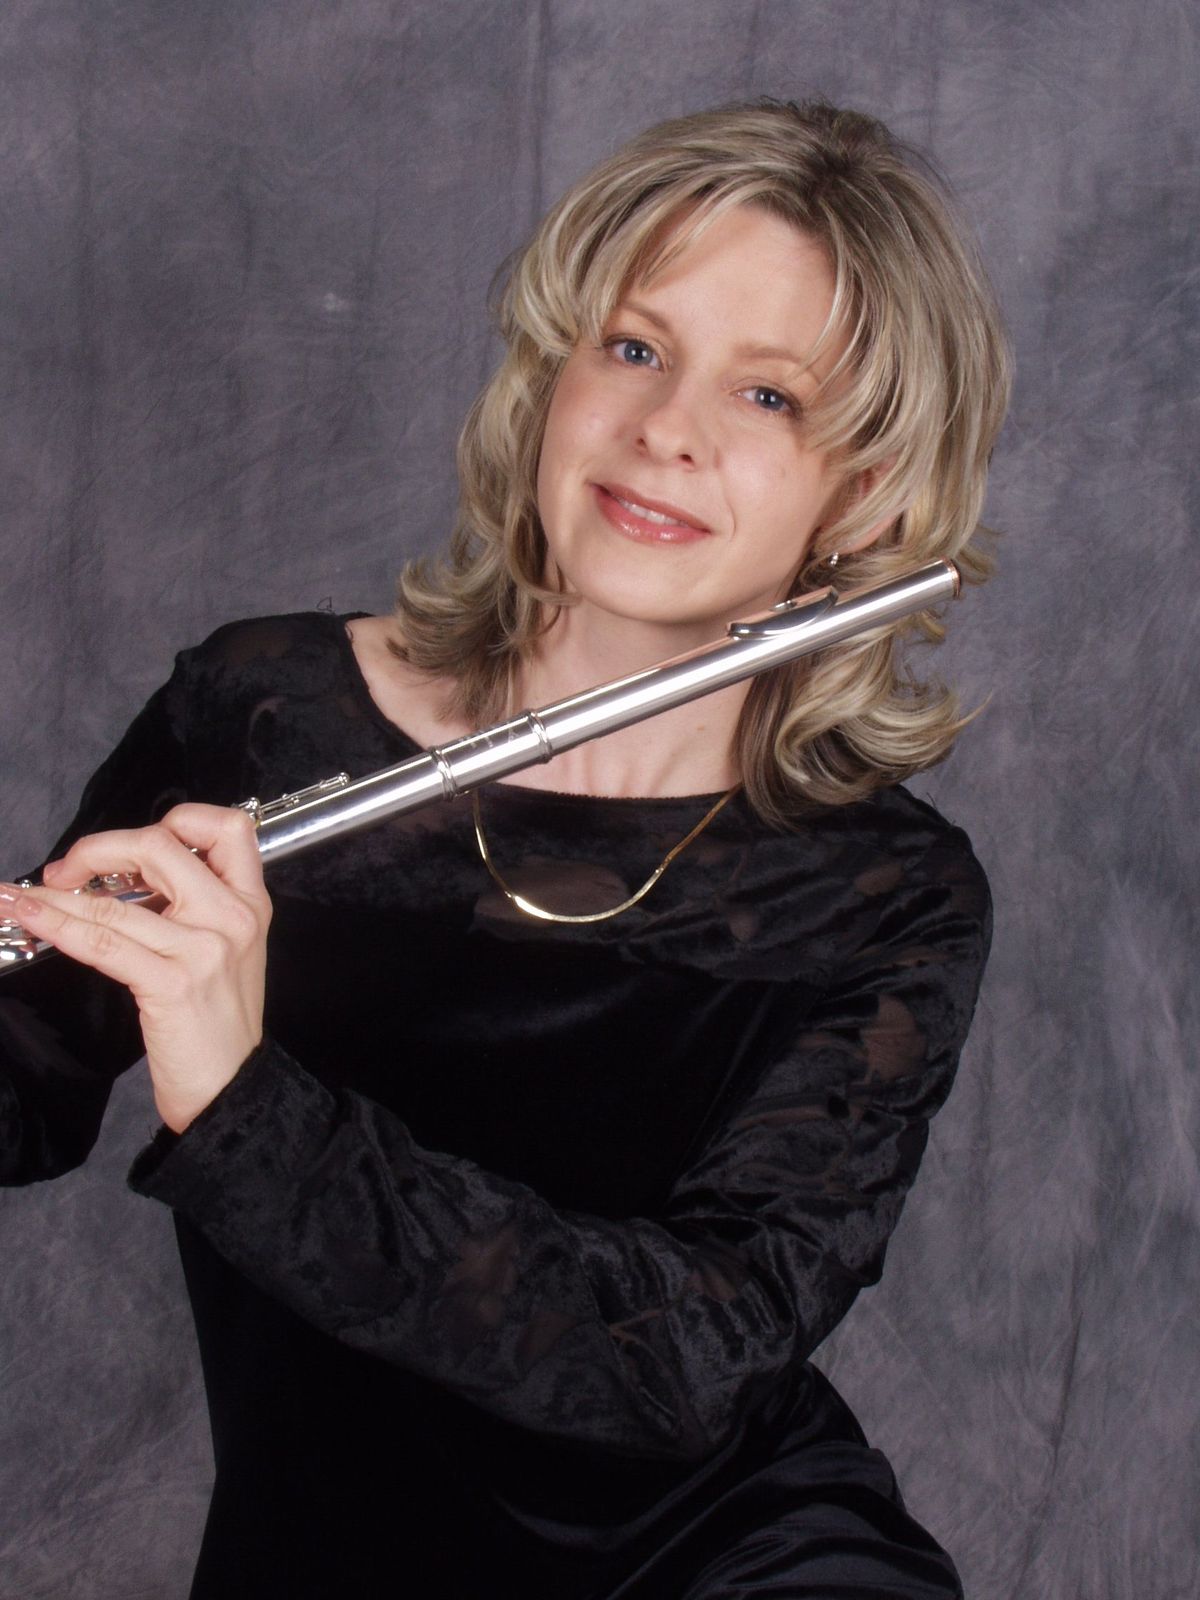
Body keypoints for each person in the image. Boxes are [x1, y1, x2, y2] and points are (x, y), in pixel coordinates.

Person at [0, 99, 1009, 1598]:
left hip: (723, 1561)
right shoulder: (267, 715)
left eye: (769, 396)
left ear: (861, 496)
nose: (667, 428)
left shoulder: (887, 901)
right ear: (554, 372)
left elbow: (680, 1361)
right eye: (635, 347)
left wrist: (241, 1099)